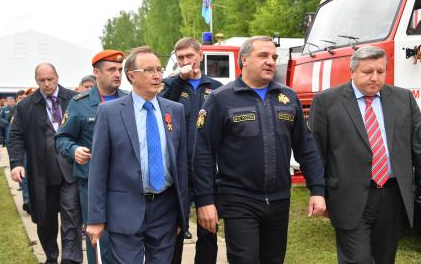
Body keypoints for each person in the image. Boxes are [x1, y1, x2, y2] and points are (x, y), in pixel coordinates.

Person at [192, 36, 326, 264]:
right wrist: (205, 201)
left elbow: (306, 147)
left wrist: (318, 189)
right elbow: (203, 153)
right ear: (243, 60)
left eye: (274, 57)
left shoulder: (287, 97)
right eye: (263, 56)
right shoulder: (221, 99)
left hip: (279, 200)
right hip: (238, 199)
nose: (271, 61)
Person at [309, 46, 421, 264]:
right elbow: (316, 152)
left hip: (392, 196)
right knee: (358, 260)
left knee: (384, 259)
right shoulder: (327, 101)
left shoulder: (403, 99)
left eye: (380, 72)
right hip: (347, 196)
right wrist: (317, 191)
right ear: (352, 71)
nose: (374, 78)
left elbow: (418, 147)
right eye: (367, 72)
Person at [86, 46, 188, 263]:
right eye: (149, 70)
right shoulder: (110, 112)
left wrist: (182, 214)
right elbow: (98, 170)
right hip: (124, 209)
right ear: (131, 76)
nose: (157, 75)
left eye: (159, 69)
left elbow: (180, 166)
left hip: (164, 209)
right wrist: (95, 218)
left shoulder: (175, 111)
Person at [55, 50, 126, 264]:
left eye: (120, 70)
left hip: (125, 180)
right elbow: (61, 139)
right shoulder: (80, 103)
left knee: (125, 234)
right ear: (96, 72)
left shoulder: (129, 100)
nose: (117, 74)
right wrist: (74, 150)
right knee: (97, 234)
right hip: (92, 182)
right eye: (111, 69)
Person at [8, 62, 82, 264]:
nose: (47, 84)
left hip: (70, 171)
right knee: (45, 220)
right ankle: (51, 256)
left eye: (50, 79)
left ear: (57, 77)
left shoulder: (74, 99)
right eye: (42, 80)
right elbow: (15, 137)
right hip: (42, 173)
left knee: (71, 216)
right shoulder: (25, 106)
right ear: (36, 81)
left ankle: (70, 259)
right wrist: (16, 163)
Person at [160, 37, 222, 264]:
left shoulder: (216, 88)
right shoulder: (169, 84)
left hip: (208, 169)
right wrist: (179, 80)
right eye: (181, 58)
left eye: (190, 56)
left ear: (200, 55)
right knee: (175, 228)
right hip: (179, 170)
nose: (186, 61)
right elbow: (158, 109)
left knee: (208, 229)